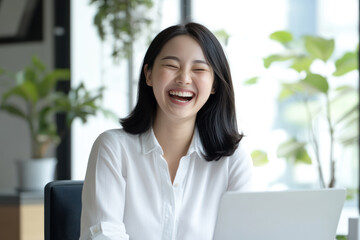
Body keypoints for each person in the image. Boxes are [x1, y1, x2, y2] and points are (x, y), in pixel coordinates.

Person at [79, 22, 253, 240]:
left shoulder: (233, 161)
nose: (184, 78)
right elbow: (104, 234)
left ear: (214, 85)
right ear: (149, 74)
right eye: (171, 65)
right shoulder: (113, 148)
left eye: (199, 69)